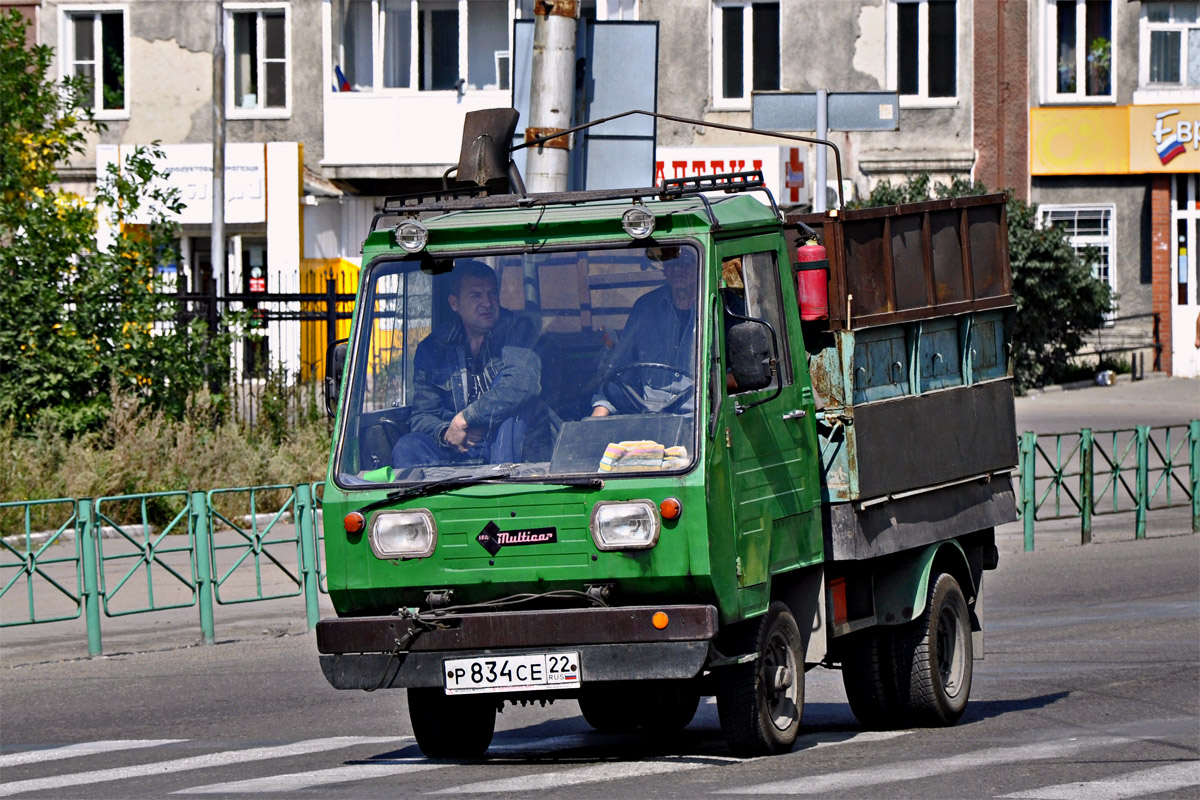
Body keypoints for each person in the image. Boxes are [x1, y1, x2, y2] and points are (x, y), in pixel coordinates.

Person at [391, 260, 543, 468]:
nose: (487, 303)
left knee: (513, 415)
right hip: (458, 449)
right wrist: (448, 432)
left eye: (492, 294)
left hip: (508, 446)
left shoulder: (517, 329)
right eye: (476, 295)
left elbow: (522, 383)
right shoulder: (433, 348)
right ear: (454, 303)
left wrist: (466, 418)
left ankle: (501, 492)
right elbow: (422, 416)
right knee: (408, 446)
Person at [591, 246, 698, 416]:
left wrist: (713, 384)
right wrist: (596, 419)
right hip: (651, 420)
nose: (677, 269)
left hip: (703, 422)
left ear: (701, 265)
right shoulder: (644, 308)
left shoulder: (720, 307)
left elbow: (741, 377)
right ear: (664, 268)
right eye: (671, 261)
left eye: (685, 261)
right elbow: (619, 371)